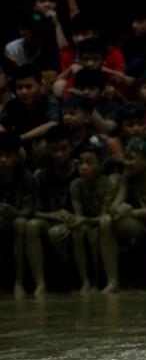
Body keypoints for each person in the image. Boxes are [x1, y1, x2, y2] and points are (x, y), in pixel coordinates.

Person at [101, 136, 146, 293]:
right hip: (137, 227)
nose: (127, 163)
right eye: (126, 158)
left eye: (131, 158)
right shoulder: (127, 177)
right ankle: (112, 282)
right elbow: (113, 207)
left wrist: (133, 212)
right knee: (106, 221)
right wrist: (120, 209)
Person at [31, 126, 78, 294]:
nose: (59, 154)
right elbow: (32, 211)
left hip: (78, 224)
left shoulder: (83, 170)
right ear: (48, 151)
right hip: (51, 223)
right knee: (32, 225)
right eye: (54, 150)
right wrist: (52, 215)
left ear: (72, 146)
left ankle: (77, 280)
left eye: (63, 149)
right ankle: (40, 284)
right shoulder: (42, 176)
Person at [68, 142, 118, 292]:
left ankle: (98, 281)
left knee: (95, 233)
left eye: (89, 163)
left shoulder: (110, 183)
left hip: (105, 225)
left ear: (101, 165)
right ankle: (85, 281)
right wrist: (75, 221)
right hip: (87, 223)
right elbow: (79, 215)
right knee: (78, 232)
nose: (83, 167)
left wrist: (85, 221)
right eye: (80, 163)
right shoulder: (76, 185)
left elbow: (105, 215)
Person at [0, 131, 36, 298]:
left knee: (21, 223)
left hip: (17, 223)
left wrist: (14, 212)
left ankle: (19, 282)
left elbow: (29, 211)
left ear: (16, 157)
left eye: (7, 155)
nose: (2, 160)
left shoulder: (25, 176)